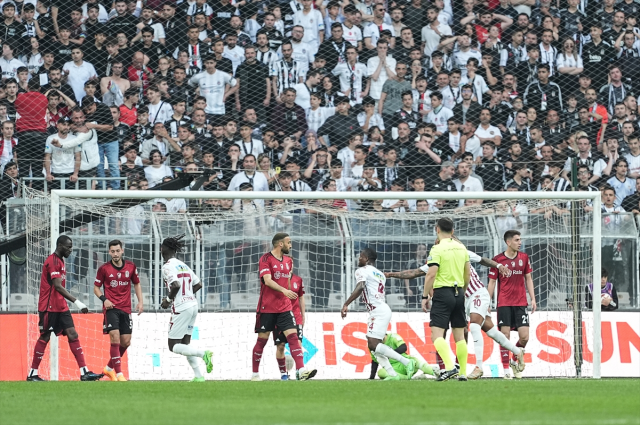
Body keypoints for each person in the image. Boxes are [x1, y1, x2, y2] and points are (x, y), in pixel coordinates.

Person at [385, 238, 525, 379]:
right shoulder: (437, 260)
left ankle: (479, 367)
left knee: (474, 327)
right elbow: (414, 273)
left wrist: (499, 266)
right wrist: (391, 275)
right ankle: (517, 351)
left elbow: (483, 260)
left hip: (476, 293)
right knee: (491, 331)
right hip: (462, 299)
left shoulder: (462, 252)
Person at [27, 235, 103, 381]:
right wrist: (77, 302)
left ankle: (84, 372)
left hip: (60, 306)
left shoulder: (61, 261)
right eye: (68, 247)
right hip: (49, 306)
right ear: (60, 245)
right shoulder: (53, 261)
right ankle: (32, 373)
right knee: (45, 336)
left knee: (73, 334)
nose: (70, 250)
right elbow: (57, 286)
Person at [341, 248, 417, 381]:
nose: (359, 259)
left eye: (361, 257)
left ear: (367, 259)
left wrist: (346, 303)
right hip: (379, 309)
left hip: (378, 311)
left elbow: (361, 286)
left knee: (373, 344)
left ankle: (406, 362)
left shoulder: (362, 270)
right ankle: (393, 375)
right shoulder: (379, 274)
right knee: (374, 347)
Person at [251, 233, 317, 381]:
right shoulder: (265, 259)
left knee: (293, 337)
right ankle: (255, 374)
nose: (291, 245)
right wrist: (285, 291)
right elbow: (267, 281)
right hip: (267, 307)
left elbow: (286, 283)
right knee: (262, 341)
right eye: (289, 242)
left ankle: (301, 370)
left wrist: (287, 295)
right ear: (280, 244)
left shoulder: (288, 261)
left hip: (285, 308)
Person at [159, 235, 214, 382]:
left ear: (162, 249)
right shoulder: (183, 265)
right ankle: (198, 376)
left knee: (173, 346)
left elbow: (175, 285)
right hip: (193, 305)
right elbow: (199, 284)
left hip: (182, 308)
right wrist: (188, 294)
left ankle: (203, 354)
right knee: (185, 343)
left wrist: (168, 300)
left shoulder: (167, 266)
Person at [420, 218, 470, 381]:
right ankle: (462, 372)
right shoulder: (462, 248)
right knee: (460, 336)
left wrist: (425, 295)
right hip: (459, 293)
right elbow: (467, 273)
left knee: (436, 335)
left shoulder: (437, 249)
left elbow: (431, 274)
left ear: (437, 229)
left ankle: (449, 367)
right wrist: (462, 291)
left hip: (443, 293)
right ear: (453, 231)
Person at [487, 229, 536, 380]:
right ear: (508, 242)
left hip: (521, 302)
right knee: (505, 336)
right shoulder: (497, 260)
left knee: (525, 337)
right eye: (516, 240)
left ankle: (515, 360)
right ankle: (506, 370)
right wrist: (487, 302)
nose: (520, 243)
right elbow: (492, 282)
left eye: (520, 240)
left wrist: (533, 299)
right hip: (504, 303)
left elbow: (528, 278)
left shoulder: (524, 258)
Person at [93, 240, 143, 382]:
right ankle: (119, 374)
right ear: (109, 252)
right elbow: (96, 288)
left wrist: (140, 302)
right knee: (115, 337)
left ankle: (108, 369)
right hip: (111, 309)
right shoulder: (104, 269)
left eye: (117, 250)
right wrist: (104, 299)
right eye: (112, 251)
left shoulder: (131, 267)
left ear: (122, 251)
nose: (115, 253)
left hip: (126, 308)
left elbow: (137, 284)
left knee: (125, 342)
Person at [273, 273, 305, 380]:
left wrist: (303, 315)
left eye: (291, 266)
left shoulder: (298, 279)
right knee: (280, 346)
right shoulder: (276, 280)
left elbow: (301, 298)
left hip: (296, 317)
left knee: (298, 343)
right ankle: (283, 374)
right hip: (280, 316)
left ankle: (299, 371)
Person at [369, 332, 438, 380]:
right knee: (381, 373)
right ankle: (409, 378)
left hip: (406, 363)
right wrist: (372, 377)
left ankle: (435, 372)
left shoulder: (393, 337)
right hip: (393, 368)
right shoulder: (372, 345)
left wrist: (390, 354)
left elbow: (403, 347)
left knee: (416, 362)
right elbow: (375, 361)